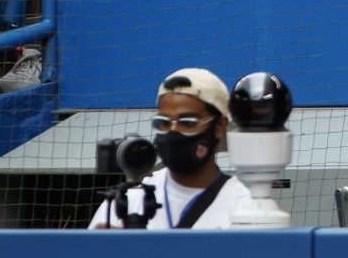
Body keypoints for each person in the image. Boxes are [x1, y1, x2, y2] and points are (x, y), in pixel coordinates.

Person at [85, 66, 264, 228]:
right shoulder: (128, 201)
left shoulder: (245, 206)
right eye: (163, 122)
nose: (173, 132)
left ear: (219, 127)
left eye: (187, 122)